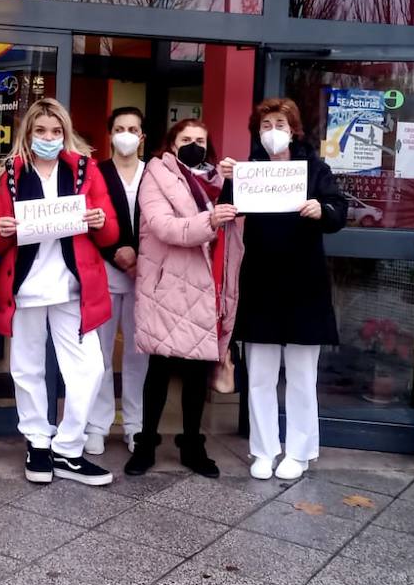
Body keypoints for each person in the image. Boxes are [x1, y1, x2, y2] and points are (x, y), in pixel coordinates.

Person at [0, 98, 119, 486]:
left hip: (72, 286)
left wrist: (100, 220)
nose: (48, 138)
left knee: (90, 368)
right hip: (25, 287)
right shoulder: (7, 175)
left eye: (55, 131)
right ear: (28, 133)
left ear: (66, 133)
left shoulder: (84, 170)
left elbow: (109, 235)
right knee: (27, 369)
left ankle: (68, 446)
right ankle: (37, 442)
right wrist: (3, 230)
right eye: (40, 131)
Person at [224, 98, 346, 481]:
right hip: (261, 282)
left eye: (279, 122)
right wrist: (228, 180)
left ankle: (300, 450)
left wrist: (320, 209)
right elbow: (226, 209)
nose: (271, 130)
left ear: (294, 128)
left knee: (301, 375)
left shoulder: (314, 169)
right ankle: (262, 450)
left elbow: (338, 211)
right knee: (259, 374)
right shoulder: (250, 171)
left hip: (304, 284)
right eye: (264, 124)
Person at [125, 118, 243, 478]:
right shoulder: (156, 176)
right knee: (159, 370)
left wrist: (238, 183)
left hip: (210, 285)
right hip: (170, 286)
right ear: (172, 144)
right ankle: (146, 444)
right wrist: (210, 220)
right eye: (187, 139)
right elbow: (163, 226)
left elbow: (241, 222)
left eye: (201, 140)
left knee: (196, 371)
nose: (195, 145)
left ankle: (192, 444)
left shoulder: (220, 180)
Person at [87, 107, 150, 456]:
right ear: (110, 134)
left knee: (138, 354)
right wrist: (118, 254)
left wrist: (139, 256)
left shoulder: (154, 172)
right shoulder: (97, 172)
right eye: (120, 128)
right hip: (106, 272)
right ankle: (97, 424)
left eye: (133, 129)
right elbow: (92, 220)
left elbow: (158, 217)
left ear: (142, 137)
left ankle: (135, 426)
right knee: (100, 352)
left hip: (145, 274)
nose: (126, 134)